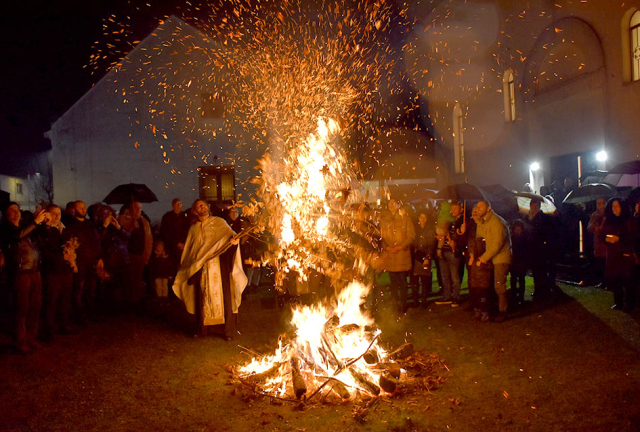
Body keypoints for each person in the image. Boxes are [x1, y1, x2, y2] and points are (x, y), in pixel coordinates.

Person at [173, 199, 247, 340]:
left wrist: (234, 242)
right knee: (202, 297)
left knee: (225, 297)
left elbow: (230, 236)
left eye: (204, 204)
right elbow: (190, 251)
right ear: (195, 211)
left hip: (219, 266)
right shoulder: (194, 229)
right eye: (198, 206)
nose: (202, 207)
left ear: (208, 207)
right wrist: (194, 264)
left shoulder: (219, 222)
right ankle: (203, 330)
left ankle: (227, 331)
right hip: (202, 268)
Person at [1, 202, 48, 353]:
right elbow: (17, 236)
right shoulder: (6, 229)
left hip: (35, 271)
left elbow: (39, 236)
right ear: (5, 214)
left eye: (17, 210)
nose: (16, 213)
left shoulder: (24, 226)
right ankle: (20, 341)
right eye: (12, 210)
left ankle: (31, 337)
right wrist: (35, 222)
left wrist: (44, 224)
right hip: (20, 273)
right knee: (22, 308)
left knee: (35, 306)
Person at [39, 204, 75, 342]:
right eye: (53, 213)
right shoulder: (45, 230)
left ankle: (64, 324)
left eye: (58, 213)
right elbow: (45, 251)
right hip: (53, 271)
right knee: (51, 301)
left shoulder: (64, 228)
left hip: (66, 270)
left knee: (65, 299)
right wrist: (61, 257)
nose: (56, 216)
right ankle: (49, 329)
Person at [475, 200, 511, 323]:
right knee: (493, 285)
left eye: (481, 207)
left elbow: (497, 244)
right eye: (477, 207)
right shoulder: (486, 221)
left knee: (499, 285)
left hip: (501, 258)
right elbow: (479, 236)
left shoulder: (496, 222)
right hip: (493, 258)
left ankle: (503, 311)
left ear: (489, 208)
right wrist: (478, 222)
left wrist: (484, 257)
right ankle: (495, 307)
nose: (478, 209)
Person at [66, 200, 102, 322]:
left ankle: (90, 312)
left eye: (84, 207)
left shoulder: (90, 225)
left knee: (91, 289)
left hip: (91, 262)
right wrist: (73, 262)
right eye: (80, 208)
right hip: (80, 263)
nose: (83, 210)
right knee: (78, 289)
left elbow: (97, 242)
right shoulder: (71, 226)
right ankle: (78, 314)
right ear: (74, 210)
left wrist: (99, 258)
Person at [378, 199, 415, 314]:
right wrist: (387, 247)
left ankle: (403, 303)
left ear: (399, 205)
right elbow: (381, 237)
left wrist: (401, 246)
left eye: (394, 203)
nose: (392, 205)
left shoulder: (405, 219)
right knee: (393, 283)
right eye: (390, 203)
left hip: (402, 256)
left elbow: (411, 235)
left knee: (403, 282)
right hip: (390, 256)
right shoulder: (384, 220)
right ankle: (395, 303)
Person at [601, 198, 635, 311]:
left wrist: (619, 239)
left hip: (625, 255)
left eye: (617, 206)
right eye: (613, 206)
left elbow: (633, 237)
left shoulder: (628, 220)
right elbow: (601, 235)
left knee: (628, 280)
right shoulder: (609, 220)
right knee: (616, 280)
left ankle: (630, 303)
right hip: (613, 255)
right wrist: (607, 239)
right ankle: (618, 302)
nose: (615, 209)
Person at [97, 205, 130, 313]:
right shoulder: (99, 227)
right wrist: (104, 226)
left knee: (121, 284)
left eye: (110, 214)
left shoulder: (115, 227)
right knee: (109, 285)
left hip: (121, 259)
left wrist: (119, 227)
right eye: (106, 214)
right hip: (109, 259)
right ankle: (108, 308)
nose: (108, 216)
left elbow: (127, 237)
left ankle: (121, 307)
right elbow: (98, 241)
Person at [118, 201, 152, 307]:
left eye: (140, 208)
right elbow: (122, 235)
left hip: (140, 255)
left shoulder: (144, 222)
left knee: (137, 280)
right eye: (136, 207)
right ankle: (127, 302)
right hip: (127, 255)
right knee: (127, 280)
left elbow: (149, 239)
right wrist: (131, 226)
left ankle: (136, 302)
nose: (138, 210)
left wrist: (146, 255)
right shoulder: (124, 219)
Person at [435, 202, 466, 307]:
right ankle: (447, 295)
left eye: (455, 208)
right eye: (452, 208)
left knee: (454, 276)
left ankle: (456, 296)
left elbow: (461, 238)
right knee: (444, 276)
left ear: (461, 209)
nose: (452, 210)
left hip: (454, 253)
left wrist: (453, 240)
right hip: (444, 250)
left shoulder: (463, 222)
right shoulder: (449, 221)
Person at [466, 204, 493, 322]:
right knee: (475, 286)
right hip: (474, 261)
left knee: (484, 287)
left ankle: (486, 310)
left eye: (477, 212)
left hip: (484, 261)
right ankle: (477, 307)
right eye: (473, 212)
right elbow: (469, 242)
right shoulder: (471, 226)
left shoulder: (485, 226)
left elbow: (487, 244)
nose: (474, 214)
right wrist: (471, 254)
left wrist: (482, 257)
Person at [527, 198, 553, 302]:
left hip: (540, 249)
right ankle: (539, 290)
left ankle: (542, 291)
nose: (533, 208)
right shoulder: (530, 218)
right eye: (532, 206)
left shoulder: (542, 218)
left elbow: (541, 232)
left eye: (535, 206)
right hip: (534, 248)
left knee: (540, 271)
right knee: (536, 271)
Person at [411, 210, 436, 308]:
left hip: (425, 257)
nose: (422, 219)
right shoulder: (415, 229)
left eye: (424, 217)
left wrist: (427, 257)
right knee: (414, 281)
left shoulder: (430, 229)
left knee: (424, 280)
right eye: (421, 217)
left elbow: (431, 245)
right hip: (416, 257)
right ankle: (415, 300)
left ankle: (424, 300)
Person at [160, 198, 189, 272]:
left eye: (180, 204)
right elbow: (165, 233)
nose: (179, 206)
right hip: (172, 248)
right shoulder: (167, 217)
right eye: (177, 204)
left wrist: (185, 243)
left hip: (185, 246)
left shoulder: (185, 216)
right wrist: (176, 243)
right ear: (173, 205)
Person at [588, 197, 607, 288]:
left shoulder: (607, 215)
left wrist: (599, 227)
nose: (599, 205)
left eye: (601, 203)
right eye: (597, 203)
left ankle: (608, 282)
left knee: (606, 263)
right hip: (597, 243)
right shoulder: (594, 215)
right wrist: (594, 224)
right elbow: (590, 228)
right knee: (599, 264)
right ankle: (602, 281)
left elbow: (604, 229)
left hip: (605, 243)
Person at [509, 220, 528, 307]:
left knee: (521, 280)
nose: (517, 231)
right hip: (514, 262)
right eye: (516, 229)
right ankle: (513, 296)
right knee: (513, 280)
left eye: (519, 229)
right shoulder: (512, 238)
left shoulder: (524, 239)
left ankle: (521, 297)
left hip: (521, 263)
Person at [150, 239, 174, 305]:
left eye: (161, 246)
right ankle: (160, 300)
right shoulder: (154, 258)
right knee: (159, 288)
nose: (159, 248)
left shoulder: (166, 257)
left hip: (165, 275)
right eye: (158, 246)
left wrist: (170, 275)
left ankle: (165, 300)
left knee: (165, 288)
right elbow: (153, 267)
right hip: (157, 276)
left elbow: (169, 266)